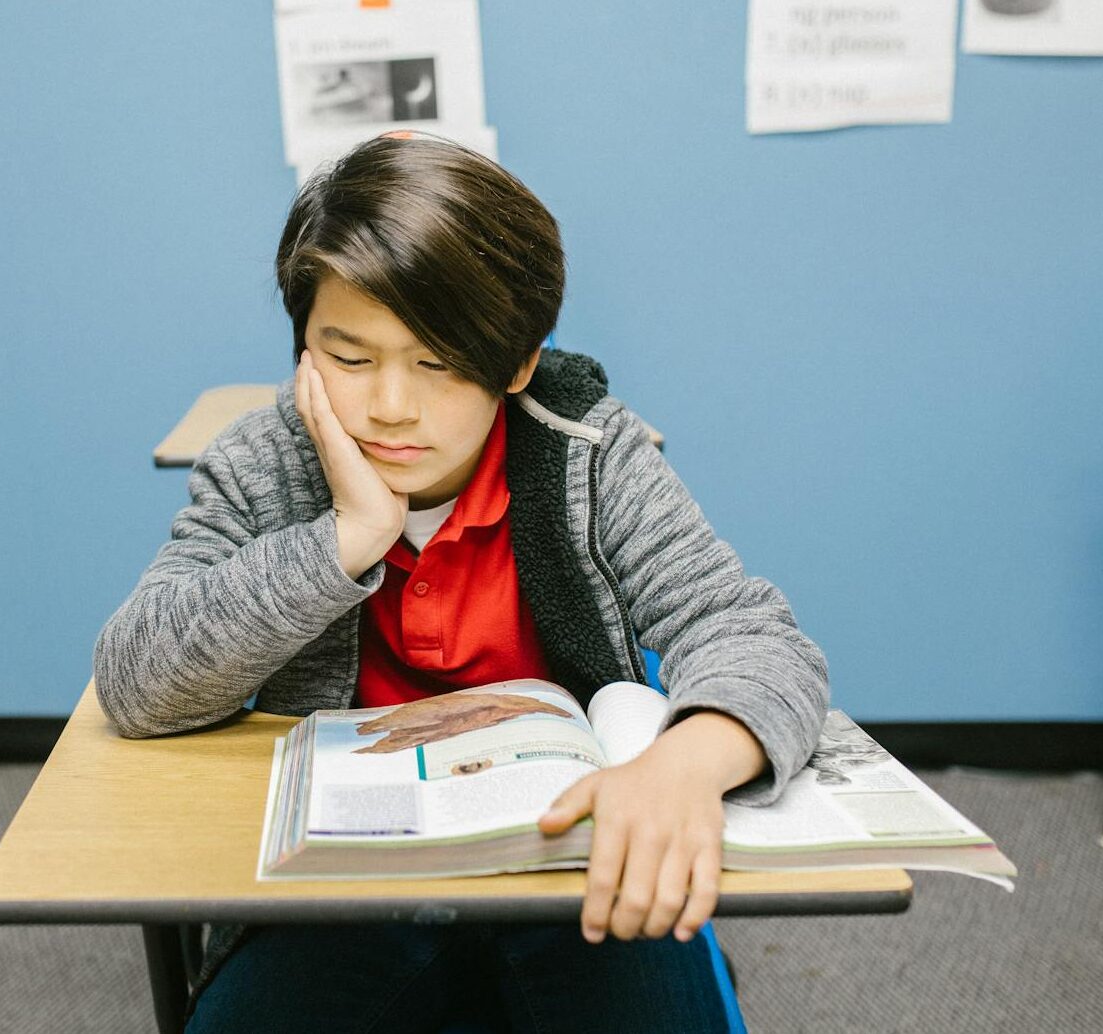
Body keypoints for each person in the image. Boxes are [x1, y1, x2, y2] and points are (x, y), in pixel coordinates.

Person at [93, 133, 829, 1033]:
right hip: (343, 886)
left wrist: (683, 764)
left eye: (438, 363)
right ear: (302, 349)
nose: (391, 406)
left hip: (569, 865)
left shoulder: (586, 454)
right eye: (350, 357)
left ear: (516, 363)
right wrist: (346, 538)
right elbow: (134, 681)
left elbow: (751, 635)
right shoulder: (265, 462)